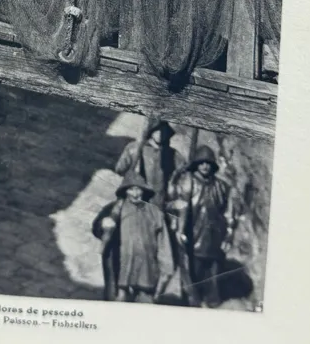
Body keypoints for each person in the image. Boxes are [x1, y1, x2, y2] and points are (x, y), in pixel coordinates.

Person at [166, 144, 238, 309]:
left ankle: (212, 300)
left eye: (208, 163)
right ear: (196, 164)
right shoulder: (187, 183)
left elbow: (229, 213)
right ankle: (191, 302)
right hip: (192, 236)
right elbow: (174, 206)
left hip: (214, 238)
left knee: (213, 274)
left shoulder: (221, 186)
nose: (205, 166)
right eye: (201, 162)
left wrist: (228, 235)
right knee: (192, 273)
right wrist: (178, 227)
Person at [92, 174, 174, 303]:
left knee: (146, 306)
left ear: (144, 191)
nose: (135, 194)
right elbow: (98, 229)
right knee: (118, 304)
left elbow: (163, 242)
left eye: (138, 189)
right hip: (122, 271)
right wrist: (103, 224)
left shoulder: (154, 212)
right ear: (125, 191)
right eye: (131, 189)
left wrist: (166, 266)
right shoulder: (114, 209)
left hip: (146, 271)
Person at [114, 117, 173, 208]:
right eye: (157, 130)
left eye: (164, 131)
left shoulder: (171, 154)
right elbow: (120, 169)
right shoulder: (134, 148)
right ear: (151, 131)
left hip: (157, 204)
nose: (161, 134)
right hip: (135, 199)